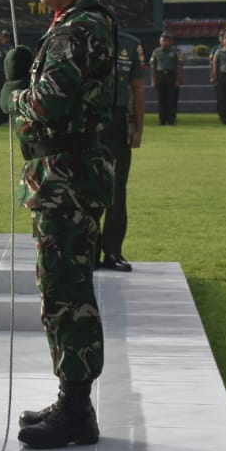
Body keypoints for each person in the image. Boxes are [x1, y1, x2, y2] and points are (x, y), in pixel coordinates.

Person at [1, 0, 116, 450]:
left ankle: (76, 410)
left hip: (66, 178)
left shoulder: (80, 27)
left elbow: (48, 105)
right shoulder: (74, 26)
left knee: (65, 293)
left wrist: (13, 94)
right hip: (63, 176)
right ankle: (73, 399)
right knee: (61, 287)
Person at [96, 31, 145, 272]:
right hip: (88, 121)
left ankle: (113, 251)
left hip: (117, 123)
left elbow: (137, 89)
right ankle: (89, 251)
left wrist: (138, 129)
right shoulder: (82, 38)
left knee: (117, 189)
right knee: (87, 187)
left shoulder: (130, 44)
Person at [148, 31, 182, 125]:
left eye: (167, 40)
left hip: (172, 76)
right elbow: (153, 67)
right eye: (163, 40)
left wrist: (178, 80)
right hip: (160, 76)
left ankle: (172, 119)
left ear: (171, 42)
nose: (165, 42)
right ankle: (162, 120)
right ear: (160, 41)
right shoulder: (156, 52)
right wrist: (153, 80)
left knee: (172, 99)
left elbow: (179, 66)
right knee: (161, 99)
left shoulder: (176, 52)